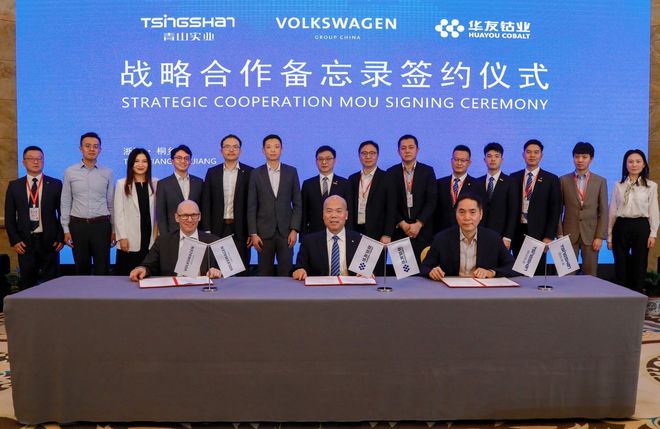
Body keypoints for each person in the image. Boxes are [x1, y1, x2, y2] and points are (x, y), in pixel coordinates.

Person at [4, 146, 64, 287]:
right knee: (28, 283)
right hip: (25, 242)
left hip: (50, 242)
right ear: (24, 162)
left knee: (52, 283)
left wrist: (60, 237)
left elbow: (63, 213)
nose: (36, 162)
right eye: (31, 158)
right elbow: (9, 216)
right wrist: (15, 240)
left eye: (39, 158)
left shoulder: (55, 184)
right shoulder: (14, 186)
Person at [421, 194, 516, 280]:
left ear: (481, 214)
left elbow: (513, 267)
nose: (467, 217)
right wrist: (431, 272)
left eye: (472, 212)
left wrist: (491, 272)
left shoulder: (493, 239)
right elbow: (424, 267)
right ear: (456, 214)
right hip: (451, 290)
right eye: (462, 212)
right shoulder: (442, 238)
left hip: (483, 290)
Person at [247, 134, 302, 276]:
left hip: (286, 233)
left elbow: (297, 203)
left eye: (276, 147)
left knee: (286, 273)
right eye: (269, 147)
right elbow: (251, 206)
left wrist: (294, 230)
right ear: (263, 150)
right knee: (264, 274)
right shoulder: (256, 173)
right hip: (263, 233)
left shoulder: (291, 172)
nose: (273, 150)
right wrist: (253, 233)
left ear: (282, 149)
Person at [61, 132, 114, 275]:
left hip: (101, 226)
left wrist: (114, 229)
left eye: (95, 146)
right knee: (81, 269)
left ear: (100, 150)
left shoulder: (107, 173)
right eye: (88, 146)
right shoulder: (70, 172)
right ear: (80, 148)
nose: (92, 149)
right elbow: (65, 202)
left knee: (102, 269)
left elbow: (111, 204)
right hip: (78, 226)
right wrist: (66, 230)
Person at [129, 200, 221, 281]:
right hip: (172, 291)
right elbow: (148, 265)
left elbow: (226, 270)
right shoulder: (163, 241)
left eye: (194, 215)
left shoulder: (213, 241)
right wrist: (142, 269)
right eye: (185, 215)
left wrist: (217, 271)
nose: (190, 220)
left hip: (202, 290)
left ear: (199, 217)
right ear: (177, 217)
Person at [607, 149, 659, 292]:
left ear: (644, 164)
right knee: (620, 263)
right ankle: (621, 296)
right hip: (621, 225)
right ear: (625, 164)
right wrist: (609, 236)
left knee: (639, 263)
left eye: (638, 161)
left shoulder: (651, 186)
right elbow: (612, 211)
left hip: (641, 225)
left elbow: (654, 210)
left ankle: (637, 295)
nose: (634, 165)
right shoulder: (618, 185)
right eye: (630, 162)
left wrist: (653, 233)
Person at [201, 134, 253, 268]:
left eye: (235, 147)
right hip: (218, 228)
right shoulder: (212, 172)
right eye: (227, 147)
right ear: (221, 150)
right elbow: (206, 203)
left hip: (241, 230)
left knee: (241, 269)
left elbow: (252, 205)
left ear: (240, 151)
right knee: (218, 268)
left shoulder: (250, 172)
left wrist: (252, 231)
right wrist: (206, 230)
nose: (231, 150)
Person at [510, 139, 561, 273]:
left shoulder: (551, 179)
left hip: (539, 233)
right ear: (523, 155)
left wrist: (549, 236)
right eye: (528, 152)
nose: (532, 155)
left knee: (537, 274)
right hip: (517, 231)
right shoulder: (513, 177)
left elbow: (555, 210)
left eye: (536, 152)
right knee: (517, 272)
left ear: (541, 155)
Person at [558, 142, 608, 276]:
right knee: (567, 274)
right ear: (573, 158)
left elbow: (604, 212)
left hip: (591, 235)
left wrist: (599, 236)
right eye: (577, 156)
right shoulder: (563, 180)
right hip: (568, 234)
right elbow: (558, 210)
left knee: (590, 274)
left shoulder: (600, 181)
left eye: (584, 157)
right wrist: (559, 234)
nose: (580, 160)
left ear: (591, 159)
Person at [387, 134, 437, 263]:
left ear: (417, 150)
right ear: (398, 151)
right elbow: (389, 203)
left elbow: (432, 201)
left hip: (423, 232)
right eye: (403, 148)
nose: (407, 151)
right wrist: (402, 223)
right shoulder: (391, 173)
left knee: (424, 270)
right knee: (403, 271)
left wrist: (419, 224)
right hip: (400, 232)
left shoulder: (427, 171)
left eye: (411, 147)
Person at [348, 140, 395, 274]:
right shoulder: (352, 179)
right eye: (364, 153)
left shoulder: (387, 178)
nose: (368, 156)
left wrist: (387, 234)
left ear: (377, 156)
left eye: (372, 153)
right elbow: (349, 208)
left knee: (376, 273)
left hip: (378, 234)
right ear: (359, 156)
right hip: (356, 232)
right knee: (356, 272)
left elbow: (391, 208)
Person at [292, 195, 362, 280]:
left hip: (351, 287)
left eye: (339, 211)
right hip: (320, 287)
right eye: (329, 211)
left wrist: (367, 273)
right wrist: (299, 271)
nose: (334, 215)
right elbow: (299, 267)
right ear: (323, 215)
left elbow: (367, 270)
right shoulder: (309, 241)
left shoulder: (360, 240)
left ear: (346, 215)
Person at [113, 148, 158, 275]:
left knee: (148, 272)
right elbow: (118, 213)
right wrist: (122, 237)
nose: (140, 164)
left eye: (144, 161)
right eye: (137, 161)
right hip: (130, 237)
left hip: (150, 236)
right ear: (131, 163)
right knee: (127, 275)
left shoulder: (156, 183)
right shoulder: (122, 184)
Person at [301, 145, 352, 236]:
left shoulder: (345, 183)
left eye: (328, 159)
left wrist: (349, 235)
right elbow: (303, 213)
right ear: (316, 161)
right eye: (320, 159)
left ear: (334, 161)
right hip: (314, 234)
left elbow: (349, 211)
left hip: (338, 233)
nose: (324, 162)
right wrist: (303, 236)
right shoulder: (308, 184)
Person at [477, 142, 518, 250]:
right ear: (484, 159)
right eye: (489, 156)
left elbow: (513, 212)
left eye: (496, 156)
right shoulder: (477, 182)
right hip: (479, 234)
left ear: (502, 160)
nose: (493, 159)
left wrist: (508, 237)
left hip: (501, 236)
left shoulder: (510, 182)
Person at [156, 145, 203, 235]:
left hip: (195, 232)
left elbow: (203, 209)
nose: (183, 161)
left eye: (186, 158)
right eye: (179, 158)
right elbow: (161, 214)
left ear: (190, 161)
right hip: (172, 233)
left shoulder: (199, 182)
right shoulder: (163, 184)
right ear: (172, 161)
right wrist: (165, 237)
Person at [435, 145, 482, 232]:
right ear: (451, 161)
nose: (459, 163)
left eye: (463, 160)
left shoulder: (477, 185)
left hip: (466, 231)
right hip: (441, 232)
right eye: (456, 159)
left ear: (469, 163)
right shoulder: (439, 183)